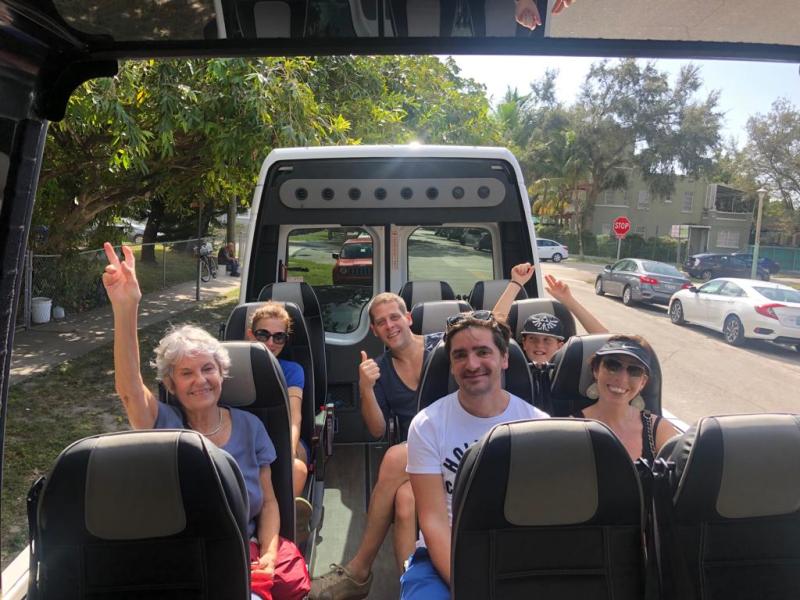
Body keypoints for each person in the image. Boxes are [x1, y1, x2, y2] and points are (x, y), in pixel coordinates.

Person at [101, 243, 310, 600]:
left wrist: (271, 551)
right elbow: (129, 390)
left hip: (242, 553)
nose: (200, 380)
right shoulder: (163, 423)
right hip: (180, 557)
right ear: (170, 384)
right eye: (186, 373)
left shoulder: (251, 426)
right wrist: (126, 308)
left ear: (222, 374)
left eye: (208, 368)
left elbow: (271, 503)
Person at [400, 311, 549, 599]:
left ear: (504, 359)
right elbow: (433, 521)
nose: (472, 364)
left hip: (516, 552)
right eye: (460, 356)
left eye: (483, 352)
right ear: (452, 366)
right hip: (445, 551)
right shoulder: (427, 425)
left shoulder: (537, 423)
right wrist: (466, 587)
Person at [310, 293, 442, 600]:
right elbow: (378, 429)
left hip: (453, 448)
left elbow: (492, 329)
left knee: (396, 457)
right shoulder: (380, 369)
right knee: (406, 503)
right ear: (373, 331)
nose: (390, 326)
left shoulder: (444, 345)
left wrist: (515, 284)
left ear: (408, 318)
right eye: (380, 322)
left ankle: (358, 569)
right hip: (420, 467)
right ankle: (413, 591)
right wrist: (366, 389)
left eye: (395, 317)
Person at [246, 302, 313, 541]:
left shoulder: (292, 370)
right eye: (263, 334)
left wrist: (289, 448)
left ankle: (281, 524)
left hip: (281, 437)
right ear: (250, 333)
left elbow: (294, 416)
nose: (271, 343)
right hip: (245, 441)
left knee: (296, 466)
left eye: (279, 337)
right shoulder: (230, 366)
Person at [575, 334, 680, 461]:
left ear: (643, 382)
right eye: (612, 365)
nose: (622, 379)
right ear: (596, 370)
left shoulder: (658, 430)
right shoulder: (572, 429)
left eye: (634, 370)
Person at [492, 262, 608, 365]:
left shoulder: (571, 368)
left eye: (547, 340)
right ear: (524, 343)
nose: (539, 345)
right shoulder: (509, 362)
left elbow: (606, 341)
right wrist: (516, 283)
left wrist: (569, 301)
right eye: (532, 338)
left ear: (560, 346)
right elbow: (492, 328)